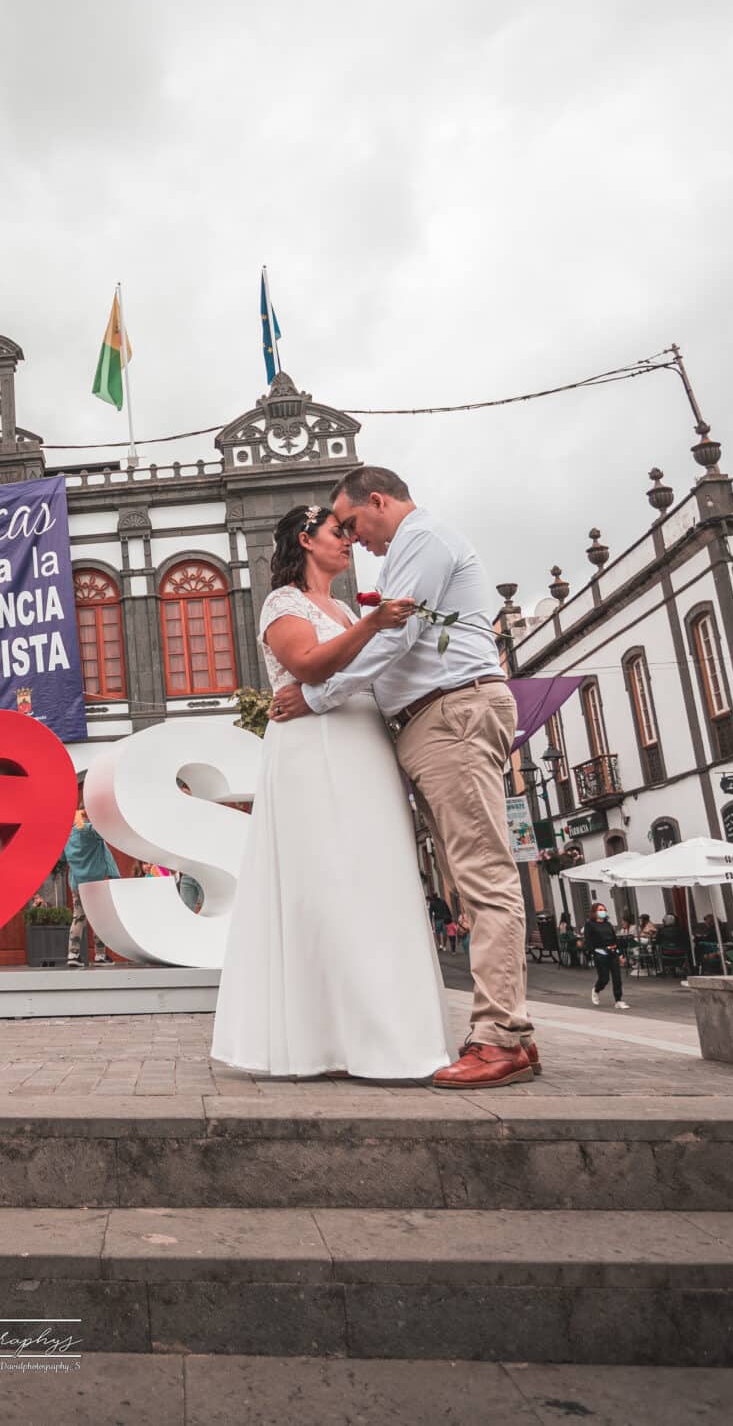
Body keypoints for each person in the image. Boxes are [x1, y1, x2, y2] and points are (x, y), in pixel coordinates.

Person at [271, 466, 534, 1089]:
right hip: (429, 722)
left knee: (483, 875)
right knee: (470, 876)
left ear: (379, 501)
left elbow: (396, 638)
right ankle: (509, 1034)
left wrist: (320, 697)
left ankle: (501, 1038)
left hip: (451, 713)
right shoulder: (400, 557)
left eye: (355, 524)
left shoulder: (422, 541)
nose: (356, 539)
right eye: (341, 531)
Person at [210, 502, 447, 1081]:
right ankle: (327, 1037)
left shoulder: (341, 606)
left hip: (363, 739)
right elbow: (308, 666)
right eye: (338, 533)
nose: (349, 541)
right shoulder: (282, 604)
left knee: (377, 878)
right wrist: (372, 625)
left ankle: (391, 1031)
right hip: (313, 747)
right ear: (304, 539)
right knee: (329, 879)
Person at [61, 808, 120, 967]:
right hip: (96, 882)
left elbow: (61, 858)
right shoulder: (87, 830)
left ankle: (73, 954)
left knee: (78, 917)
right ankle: (100, 955)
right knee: (99, 919)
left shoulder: (67, 836)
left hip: (77, 883)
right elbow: (104, 831)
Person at [582, 903, 629, 1009]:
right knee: (604, 978)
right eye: (600, 910)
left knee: (617, 977)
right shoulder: (590, 925)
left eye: (604, 909)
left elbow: (614, 939)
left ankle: (618, 1000)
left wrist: (619, 954)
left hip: (612, 952)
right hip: (600, 953)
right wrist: (592, 954)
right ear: (594, 912)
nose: (603, 911)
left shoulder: (608, 924)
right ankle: (596, 989)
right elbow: (588, 940)